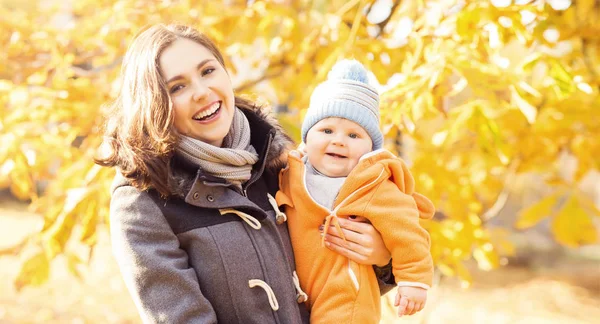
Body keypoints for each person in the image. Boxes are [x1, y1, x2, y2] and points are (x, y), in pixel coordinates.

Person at [95, 24, 396, 323]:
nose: (202, 92)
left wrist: (381, 259)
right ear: (154, 104)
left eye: (208, 71)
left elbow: (336, 284)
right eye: (177, 87)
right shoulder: (144, 201)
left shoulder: (280, 164)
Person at [274, 60, 435, 323]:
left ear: (370, 149)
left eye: (353, 135)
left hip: (345, 294)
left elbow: (406, 229)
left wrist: (414, 279)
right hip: (296, 290)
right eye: (326, 130)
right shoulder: (290, 172)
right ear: (307, 137)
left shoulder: (371, 183)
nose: (338, 140)